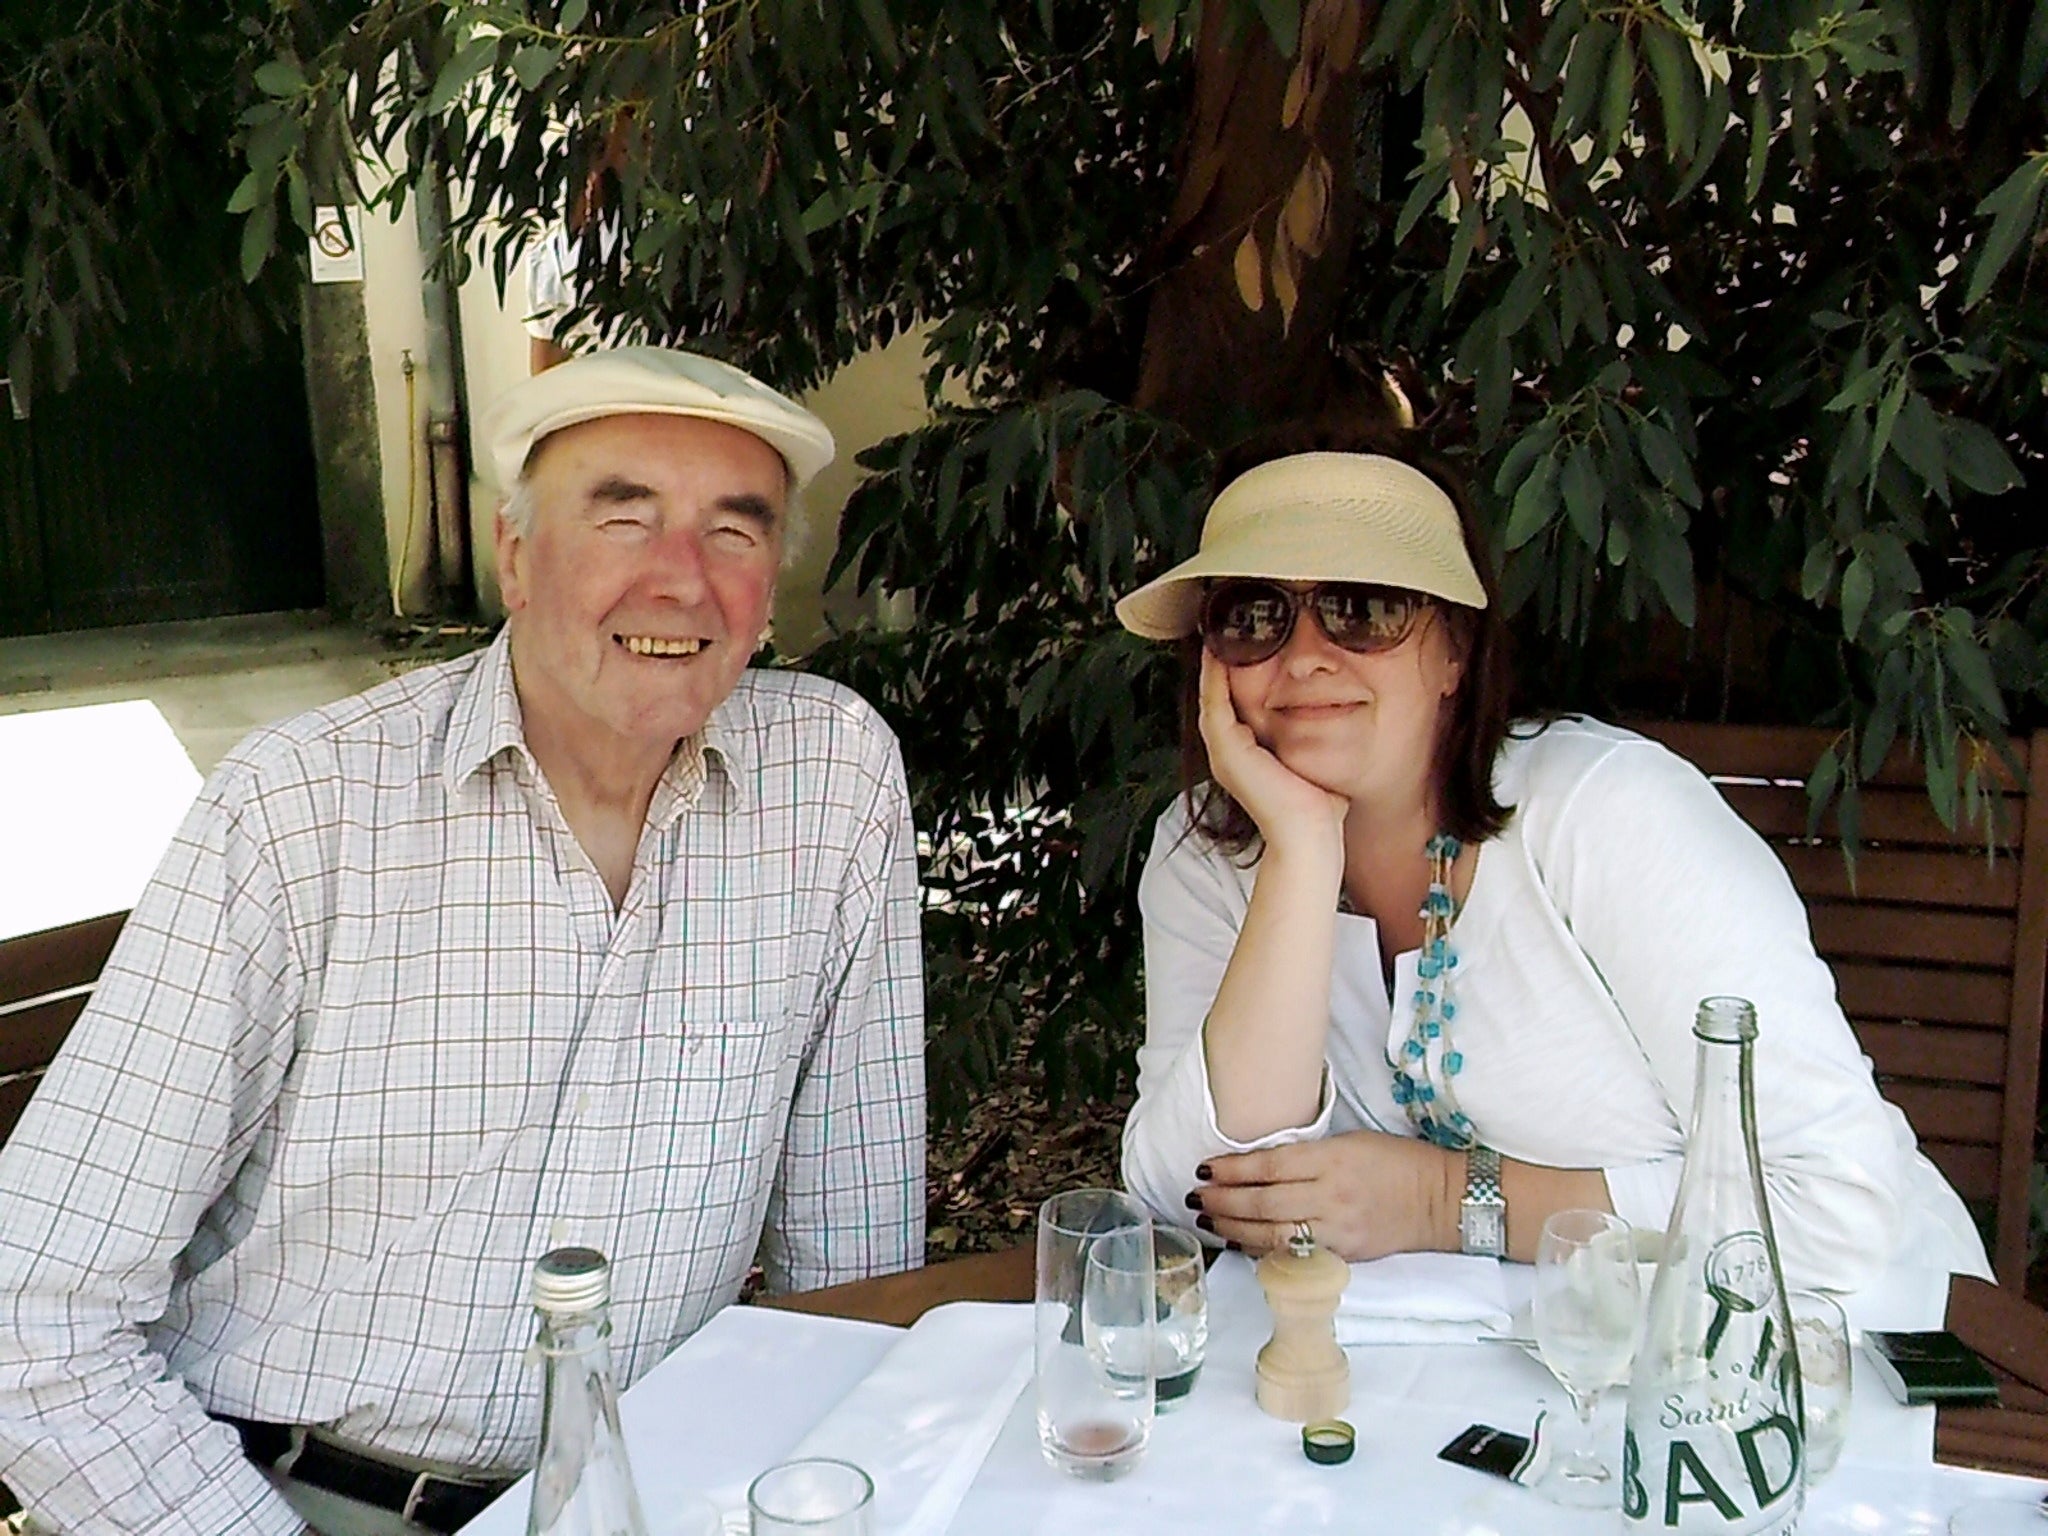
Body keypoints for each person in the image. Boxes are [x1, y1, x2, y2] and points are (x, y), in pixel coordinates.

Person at [0, 347, 926, 1536]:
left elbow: (852, 1254)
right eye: (624, 519)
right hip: (297, 1495)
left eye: (732, 532)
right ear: (515, 557)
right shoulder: (304, 810)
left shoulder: (832, 778)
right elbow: (32, 1316)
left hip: (663, 1486)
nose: (680, 582)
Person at [1114, 416, 1989, 1296]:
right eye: (1253, 616)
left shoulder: (1608, 812)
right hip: (1472, 1363)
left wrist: (1441, 1201)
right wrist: (1303, 853)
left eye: (1366, 609)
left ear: (1455, 651)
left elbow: (1836, 1207)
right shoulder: (1210, 855)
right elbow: (1196, 1195)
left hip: (1840, 1343)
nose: (1305, 657)